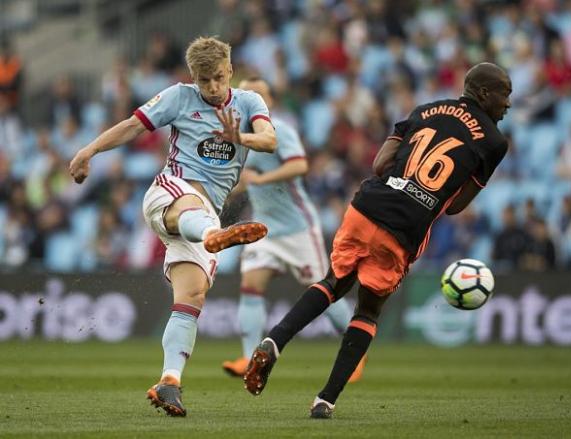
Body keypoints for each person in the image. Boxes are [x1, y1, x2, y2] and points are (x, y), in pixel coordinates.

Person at [243, 62, 512, 418]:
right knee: (368, 310)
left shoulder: (425, 110)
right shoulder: (494, 142)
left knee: (333, 282)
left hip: (367, 206)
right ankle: (325, 401)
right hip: (404, 227)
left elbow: (380, 163)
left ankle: (274, 340)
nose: (508, 103)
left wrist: (400, 180)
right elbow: (456, 206)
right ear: (483, 93)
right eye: (504, 94)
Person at [69, 37, 277, 417]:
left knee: (192, 297)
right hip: (171, 193)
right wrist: (89, 151)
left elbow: (269, 139)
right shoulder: (178, 97)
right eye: (203, 80)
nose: (211, 88)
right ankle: (213, 236)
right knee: (192, 211)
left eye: (217, 78)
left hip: (205, 217)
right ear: (192, 77)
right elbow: (134, 126)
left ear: (230, 71)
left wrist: (239, 137)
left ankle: (169, 381)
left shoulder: (248, 103)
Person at [220, 78, 361, 381]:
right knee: (251, 284)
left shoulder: (279, 131)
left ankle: (355, 353)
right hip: (266, 229)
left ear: (268, 101)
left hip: (298, 228)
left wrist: (258, 180)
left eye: (259, 95)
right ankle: (248, 357)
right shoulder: (241, 138)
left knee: (326, 291)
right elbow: (244, 177)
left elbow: (299, 166)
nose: (252, 100)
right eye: (246, 94)